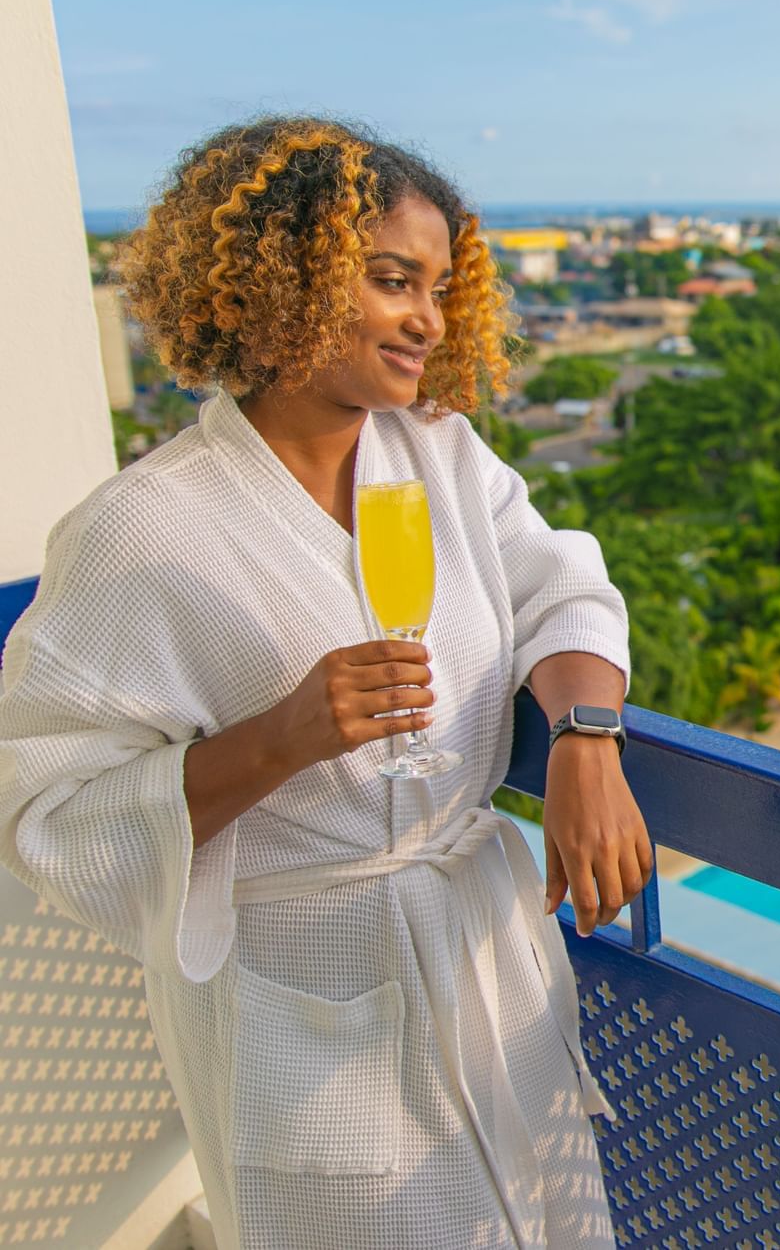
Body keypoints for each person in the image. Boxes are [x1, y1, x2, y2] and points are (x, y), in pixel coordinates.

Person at [0, 119, 648, 1248]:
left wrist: (586, 739)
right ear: (277, 283)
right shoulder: (140, 528)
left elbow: (563, 586)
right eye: (392, 280)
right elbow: (47, 812)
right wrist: (280, 738)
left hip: (485, 959)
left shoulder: (437, 453)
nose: (428, 320)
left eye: (441, 286)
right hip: (302, 996)